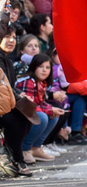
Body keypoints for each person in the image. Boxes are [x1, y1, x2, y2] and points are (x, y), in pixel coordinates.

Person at [15, 54, 65, 163]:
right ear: (34, 67)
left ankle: (35, 148)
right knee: (43, 117)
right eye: (40, 67)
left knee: (54, 117)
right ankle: (24, 149)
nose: (44, 70)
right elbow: (28, 106)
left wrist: (52, 110)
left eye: (47, 68)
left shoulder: (41, 82)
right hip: (20, 115)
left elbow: (40, 102)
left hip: (29, 112)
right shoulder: (28, 81)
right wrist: (50, 110)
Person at [0, 21, 34, 174]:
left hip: (5, 103)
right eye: (7, 36)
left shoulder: (7, 59)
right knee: (16, 120)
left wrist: (20, 95)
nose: (12, 40)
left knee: (27, 117)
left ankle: (13, 155)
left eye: (14, 37)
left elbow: (8, 85)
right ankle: (17, 159)